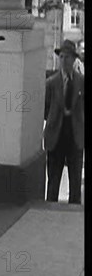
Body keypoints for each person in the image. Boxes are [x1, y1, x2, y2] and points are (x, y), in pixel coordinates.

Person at [44, 39, 85, 204]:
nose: (64, 60)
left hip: (75, 136)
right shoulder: (51, 83)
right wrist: (53, 117)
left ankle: (73, 212)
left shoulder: (81, 81)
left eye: (67, 57)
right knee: (53, 179)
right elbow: (45, 107)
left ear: (74, 59)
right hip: (56, 136)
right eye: (61, 57)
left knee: (75, 181)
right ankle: (50, 211)